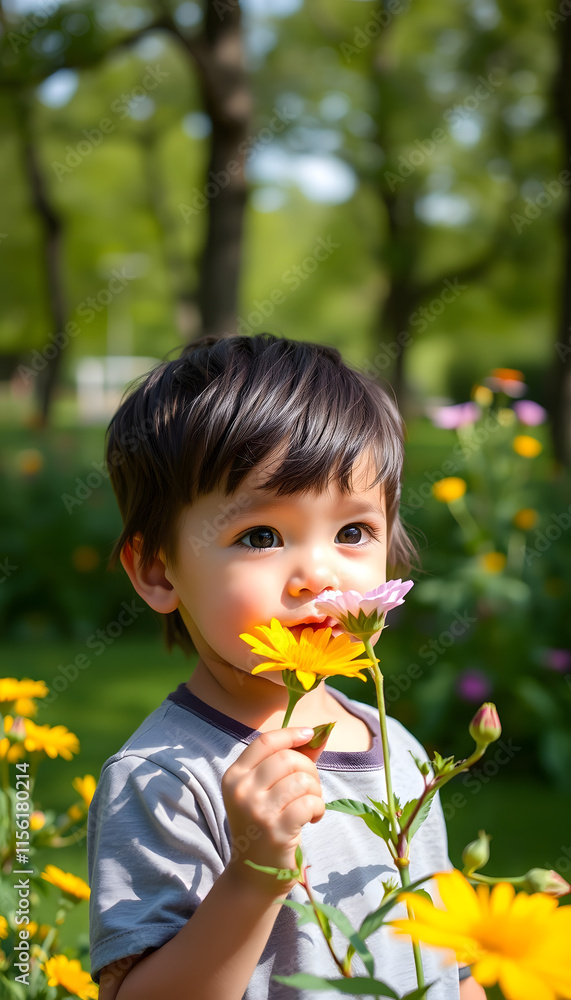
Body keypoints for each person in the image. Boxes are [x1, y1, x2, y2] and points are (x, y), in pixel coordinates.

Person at [88, 333, 484, 1000]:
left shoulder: (400, 751)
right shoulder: (165, 778)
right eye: (261, 537)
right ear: (158, 570)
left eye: (352, 532)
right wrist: (253, 875)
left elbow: (449, 960)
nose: (318, 576)